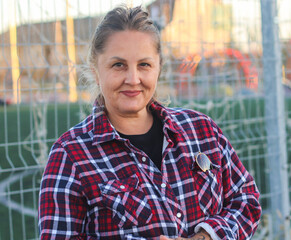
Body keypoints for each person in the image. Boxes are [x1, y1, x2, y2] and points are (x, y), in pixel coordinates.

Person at [38, 5, 261, 240]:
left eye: (144, 65)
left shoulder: (202, 130)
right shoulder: (70, 155)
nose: (133, 79)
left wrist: (206, 236)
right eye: (118, 65)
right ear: (95, 71)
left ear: (159, 68)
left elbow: (246, 200)